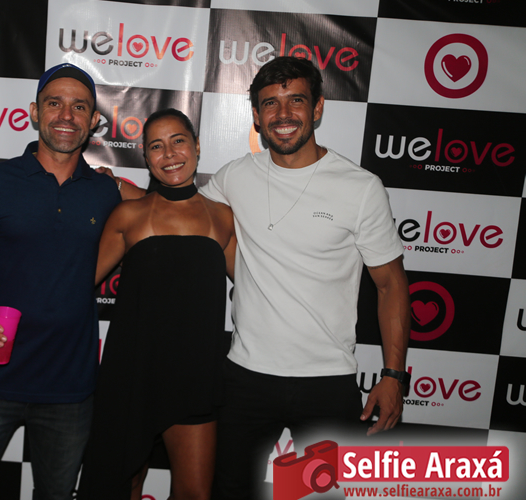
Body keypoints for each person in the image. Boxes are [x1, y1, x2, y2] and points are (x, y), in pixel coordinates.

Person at [200, 57, 411, 499]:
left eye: (296, 101)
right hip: (245, 377)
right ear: (256, 116)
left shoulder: (360, 187)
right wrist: (121, 190)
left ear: (317, 108)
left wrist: (393, 375)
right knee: (229, 491)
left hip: (328, 381)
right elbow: (183, 216)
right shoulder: (234, 176)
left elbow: (391, 285)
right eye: (270, 104)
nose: (283, 114)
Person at [0, 63, 140, 500]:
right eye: (54, 104)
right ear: (34, 112)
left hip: (70, 391)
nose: (66, 116)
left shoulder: (105, 191)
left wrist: (118, 183)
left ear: (93, 121)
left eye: (79, 107)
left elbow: (166, 206)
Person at [78, 108, 237, 500]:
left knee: (195, 493)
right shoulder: (127, 215)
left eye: (178, 141)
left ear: (196, 146)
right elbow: (78, 284)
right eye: (156, 146)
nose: (169, 154)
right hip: (132, 371)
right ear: (146, 158)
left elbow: (258, 287)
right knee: (122, 486)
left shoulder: (223, 217)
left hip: (196, 377)